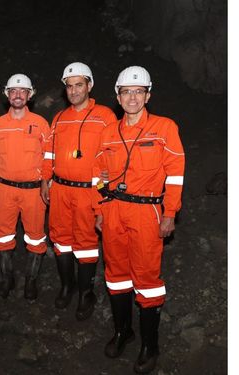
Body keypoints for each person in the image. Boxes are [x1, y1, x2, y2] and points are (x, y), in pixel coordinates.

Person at [94, 66, 184, 374]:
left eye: (138, 91)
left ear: (148, 95)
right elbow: (99, 176)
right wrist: (100, 209)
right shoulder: (108, 133)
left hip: (147, 212)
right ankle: (123, 331)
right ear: (117, 97)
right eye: (126, 92)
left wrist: (170, 213)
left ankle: (150, 345)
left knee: (147, 279)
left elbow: (174, 174)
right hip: (114, 210)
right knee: (116, 275)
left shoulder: (164, 128)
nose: (132, 97)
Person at [41, 62, 117, 320]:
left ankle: (86, 293)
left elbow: (113, 153)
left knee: (85, 244)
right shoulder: (60, 118)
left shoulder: (105, 116)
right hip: (60, 189)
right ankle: (67, 285)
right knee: (60, 240)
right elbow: (49, 153)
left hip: (89, 191)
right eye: (69, 86)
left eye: (79, 85)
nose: (74, 91)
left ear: (90, 86)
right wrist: (45, 180)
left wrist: (105, 190)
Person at [0, 73, 50, 300]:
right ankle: (7, 278)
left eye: (22, 91)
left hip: (33, 190)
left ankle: (30, 281)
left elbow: (48, 156)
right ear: (7, 94)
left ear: (30, 95)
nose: (17, 95)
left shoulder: (41, 124)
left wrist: (41, 179)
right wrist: (9, 170)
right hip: (5, 189)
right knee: (3, 235)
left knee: (35, 236)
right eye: (13, 91)